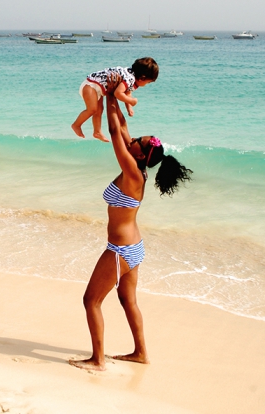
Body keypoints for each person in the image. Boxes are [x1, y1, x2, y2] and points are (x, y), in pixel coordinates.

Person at [69, 89, 192, 372]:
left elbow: (114, 132)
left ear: (141, 153)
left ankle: (98, 361)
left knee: (91, 300)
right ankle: (140, 353)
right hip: (133, 248)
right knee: (127, 300)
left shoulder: (133, 172)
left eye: (138, 141)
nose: (133, 139)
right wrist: (114, 95)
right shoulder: (138, 167)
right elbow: (122, 126)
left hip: (121, 250)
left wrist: (111, 99)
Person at [71, 57, 158, 142]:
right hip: (90, 85)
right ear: (142, 78)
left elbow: (127, 92)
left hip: (98, 88)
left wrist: (129, 108)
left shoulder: (132, 77)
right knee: (92, 109)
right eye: (148, 82)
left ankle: (97, 132)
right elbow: (118, 93)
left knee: (99, 110)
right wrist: (131, 101)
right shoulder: (130, 78)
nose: (147, 84)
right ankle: (76, 125)